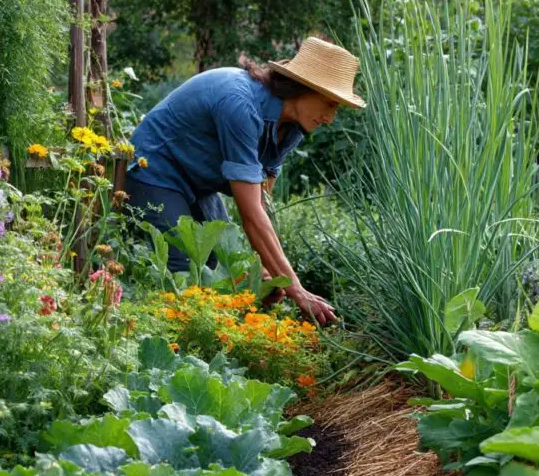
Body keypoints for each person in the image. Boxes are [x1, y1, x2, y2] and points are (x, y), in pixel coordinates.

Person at [125, 37, 365, 326]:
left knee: (224, 265)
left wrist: (266, 270)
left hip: (198, 183)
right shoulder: (241, 104)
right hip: (155, 167)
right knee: (183, 266)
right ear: (303, 88)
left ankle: (209, 347)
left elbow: (260, 204)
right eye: (329, 103)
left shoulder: (291, 128)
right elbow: (250, 214)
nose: (331, 118)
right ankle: (165, 345)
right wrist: (296, 290)